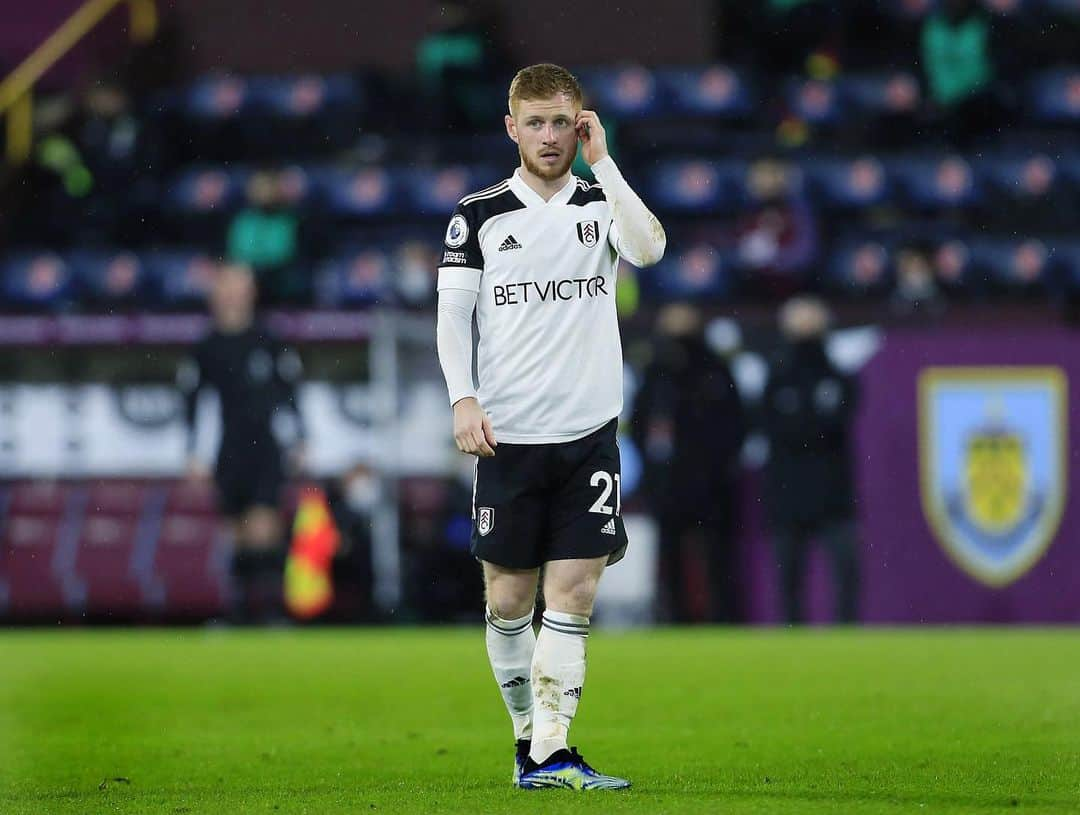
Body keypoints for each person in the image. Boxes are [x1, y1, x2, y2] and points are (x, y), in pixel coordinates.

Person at [435, 63, 665, 791]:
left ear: (580, 125)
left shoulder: (601, 201)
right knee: (508, 601)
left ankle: (554, 752)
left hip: (589, 434)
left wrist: (606, 162)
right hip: (509, 437)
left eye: (561, 122)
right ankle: (528, 741)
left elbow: (650, 248)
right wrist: (461, 397)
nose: (547, 136)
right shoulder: (478, 215)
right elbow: (452, 317)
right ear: (511, 127)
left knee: (573, 595)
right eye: (533, 122)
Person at [177, 262, 306, 623]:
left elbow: (289, 395)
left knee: (265, 526)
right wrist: (194, 454)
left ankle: (271, 611)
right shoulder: (205, 348)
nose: (234, 293)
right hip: (226, 449)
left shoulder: (269, 340)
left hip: (265, 448)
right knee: (233, 530)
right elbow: (194, 404)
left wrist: (298, 439)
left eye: (241, 285)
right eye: (227, 285)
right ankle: (235, 612)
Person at [631, 303, 745, 623]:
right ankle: (673, 618)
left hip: (708, 481)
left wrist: (717, 466)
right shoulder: (656, 373)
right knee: (671, 556)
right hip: (671, 481)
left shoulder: (713, 370)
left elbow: (735, 425)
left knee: (716, 555)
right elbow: (641, 426)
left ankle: (722, 618)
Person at [761, 297, 859, 624]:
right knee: (790, 573)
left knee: (843, 569)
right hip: (798, 487)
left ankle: (844, 631)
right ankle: (793, 633)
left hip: (827, 488)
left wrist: (802, 426)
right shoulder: (780, 378)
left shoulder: (833, 376)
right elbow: (779, 427)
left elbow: (829, 422)